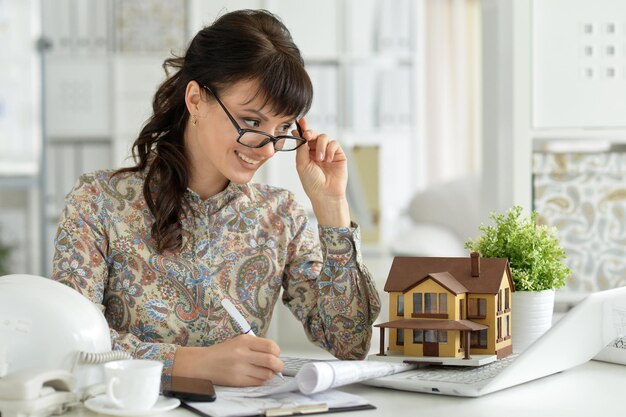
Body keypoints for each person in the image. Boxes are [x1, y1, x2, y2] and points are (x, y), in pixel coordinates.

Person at [51, 9, 380, 387]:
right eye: (252, 122)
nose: (267, 148)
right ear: (196, 100)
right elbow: (71, 342)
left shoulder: (280, 215)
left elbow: (350, 342)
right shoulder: (97, 200)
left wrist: (332, 206)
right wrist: (195, 363)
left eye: (284, 127)